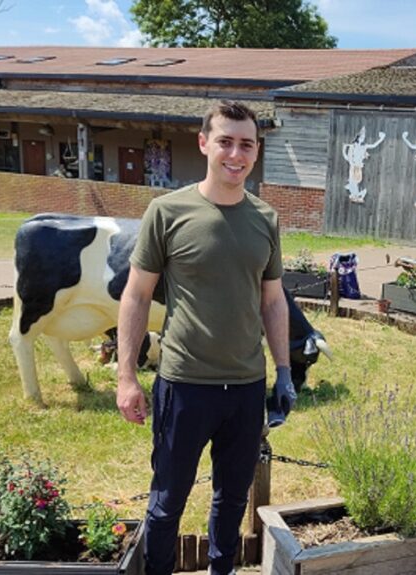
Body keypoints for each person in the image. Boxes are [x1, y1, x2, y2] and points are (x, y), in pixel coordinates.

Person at [116, 101, 295, 575]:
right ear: (204, 144)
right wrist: (126, 376)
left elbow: (273, 300)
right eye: (225, 141)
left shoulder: (266, 219)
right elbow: (137, 295)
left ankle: (222, 570)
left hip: (245, 387)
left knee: (233, 497)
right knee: (167, 500)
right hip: (184, 384)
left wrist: (284, 373)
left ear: (256, 152)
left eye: (246, 144)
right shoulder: (167, 211)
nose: (235, 154)